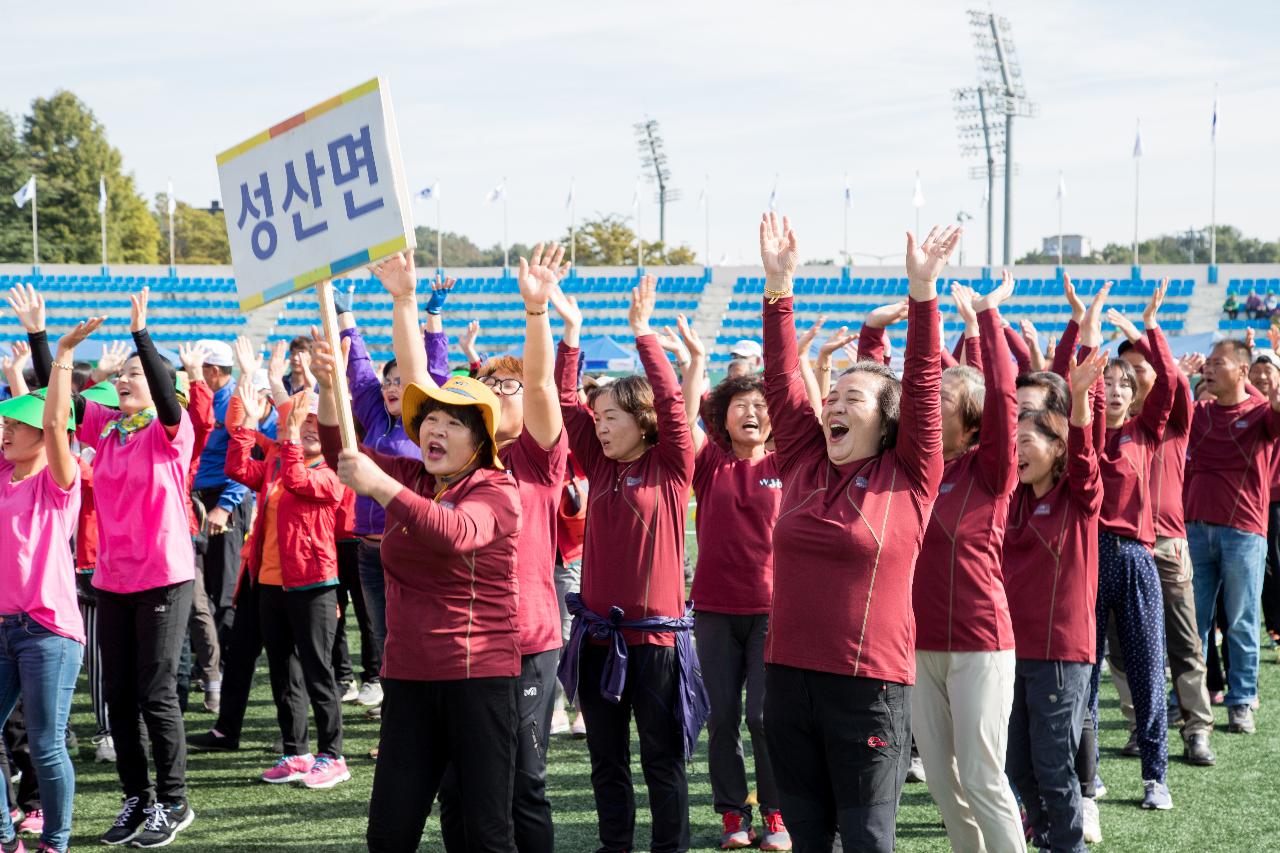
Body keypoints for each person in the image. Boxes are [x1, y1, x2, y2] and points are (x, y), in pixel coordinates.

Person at [758, 214, 954, 852]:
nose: (835, 404)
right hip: (787, 677)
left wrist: (922, 295)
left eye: (854, 398)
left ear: (887, 420)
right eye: (833, 394)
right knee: (809, 838)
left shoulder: (911, 474)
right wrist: (778, 286)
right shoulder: (802, 461)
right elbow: (784, 382)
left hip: (869, 686)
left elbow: (924, 384)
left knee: (869, 838)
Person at [316, 250, 523, 852]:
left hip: (478, 681)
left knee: (485, 833)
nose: (433, 428)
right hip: (407, 679)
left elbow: (456, 533)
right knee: (390, 832)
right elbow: (339, 452)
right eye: (427, 417)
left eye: (452, 422)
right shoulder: (413, 478)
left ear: (481, 438)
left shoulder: (497, 487)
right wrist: (330, 391)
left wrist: (379, 486)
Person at [12, 285, 198, 847]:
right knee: (117, 697)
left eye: (136, 375)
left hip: (165, 576)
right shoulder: (109, 430)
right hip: (113, 579)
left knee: (156, 694)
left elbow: (168, 400)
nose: (124, 381)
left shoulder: (173, 431)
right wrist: (42, 338)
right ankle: (136, 799)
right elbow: (57, 397)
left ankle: (174, 800)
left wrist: (144, 337)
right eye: (123, 376)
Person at [554, 273, 705, 853]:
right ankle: (615, 845)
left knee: (662, 763)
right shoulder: (597, 459)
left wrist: (643, 336)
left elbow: (672, 403)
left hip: (657, 647)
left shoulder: (671, 465)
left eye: (612, 414)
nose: (601, 422)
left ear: (640, 421)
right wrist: (571, 336)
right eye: (600, 416)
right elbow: (567, 406)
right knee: (605, 759)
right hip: (596, 639)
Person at [901, 274, 1027, 853]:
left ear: (972, 418)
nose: (926, 408)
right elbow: (915, 384)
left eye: (942, 403)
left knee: (982, 777)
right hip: (919, 644)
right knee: (945, 785)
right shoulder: (916, 470)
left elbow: (1004, 398)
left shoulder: (990, 470)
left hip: (980, 642)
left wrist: (986, 321)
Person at [673, 312, 789, 850]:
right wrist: (694, 365)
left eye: (761, 406)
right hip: (715, 611)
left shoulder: (791, 461)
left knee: (764, 718)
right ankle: (731, 816)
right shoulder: (709, 462)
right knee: (722, 719)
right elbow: (679, 418)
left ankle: (776, 816)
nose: (751, 412)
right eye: (740, 405)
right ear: (722, 417)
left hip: (773, 612)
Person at [1004, 337, 1107, 853]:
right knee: (1015, 765)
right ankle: (1044, 836)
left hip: (1062, 655)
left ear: (1057, 444)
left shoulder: (1079, 498)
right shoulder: (1012, 501)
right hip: (1008, 654)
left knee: (1052, 765)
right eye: (1013, 440)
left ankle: (1067, 846)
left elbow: (1088, 456)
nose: (1017, 449)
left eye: (1029, 440)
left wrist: (1084, 401)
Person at [1079, 284, 1178, 812]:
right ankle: (1088, 773)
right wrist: (1088, 332)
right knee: (1085, 668)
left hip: (1137, 557)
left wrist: (1146, 330)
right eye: (1107, 384)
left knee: (1145, 667)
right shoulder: (1087, 435)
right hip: (1089, 556)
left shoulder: (1148, 430)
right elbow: (1078, 391)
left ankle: (1154, 776)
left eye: (1124, 384)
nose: (1115, 391)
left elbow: (1169, 382)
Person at [0, 314, 95, 853]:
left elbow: (55, 423)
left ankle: (54, 844)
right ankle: (4, 834)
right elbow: (33, 418)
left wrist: (57, 352)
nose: (7, 431)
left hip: (47, 631)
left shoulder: (59, 483)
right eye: (4, 425)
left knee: (45, 746)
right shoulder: (3, 470)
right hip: (4, 629)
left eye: (16, 425)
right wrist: (15, 375)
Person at [335, 281, 453, 711]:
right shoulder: (371, 414)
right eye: (389, 381)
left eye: (402, 382)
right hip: (368, 552)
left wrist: (432, 317)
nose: (391, 387)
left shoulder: (423, 422)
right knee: (384, 637)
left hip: (410, 548)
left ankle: (425, 713)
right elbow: (359, 369)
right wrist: (345, 317)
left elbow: (434, 370)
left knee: (417, 635)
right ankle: (397, 715)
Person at [1108, 305, 1216, 767]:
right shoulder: (1111, 428)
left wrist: (1145, 332)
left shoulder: (1172, 419)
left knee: (1185, 641)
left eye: (1141, 367)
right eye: (1125, 370)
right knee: (1120, 645)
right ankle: (1137, 725)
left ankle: (1196, 729)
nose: (1133, 376)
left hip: (1168, 544)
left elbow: (1172, 378)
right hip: (1121, 547)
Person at [1184, 336, 1280, 734]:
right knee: (1194, 623)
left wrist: (1271, 390)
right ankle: (1188, 699)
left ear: (1241, 371)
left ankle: (1241, 701)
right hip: (1194, 529)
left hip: (1243, 532)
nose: (1208, 367)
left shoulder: (1261, 414)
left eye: (1217, 362)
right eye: (1207, 362)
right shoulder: (1199, 413)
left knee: (1240, 621)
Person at [191, 339, 254, 671]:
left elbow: (244, 458)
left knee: (225, 584)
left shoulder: (234, 402)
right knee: (197, 583)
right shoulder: (201, 396)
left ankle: (225, 663)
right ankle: (206, 661)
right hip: (198, 499)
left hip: (223, 500)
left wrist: (226, 506)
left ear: (213, 371)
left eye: (200, 368)